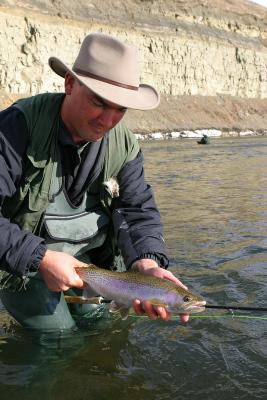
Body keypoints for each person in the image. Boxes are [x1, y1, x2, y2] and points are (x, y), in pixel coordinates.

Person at [0, 32, 189, 330]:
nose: (108, 120)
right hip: (22, 265)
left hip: (88, 265)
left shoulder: (124, 146)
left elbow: (136, 210)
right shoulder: (15, 128)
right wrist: (40, 258)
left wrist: (147, 264)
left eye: (120, 109)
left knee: (101, 326)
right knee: (59, 339)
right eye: (99, 102)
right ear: (70, 84)